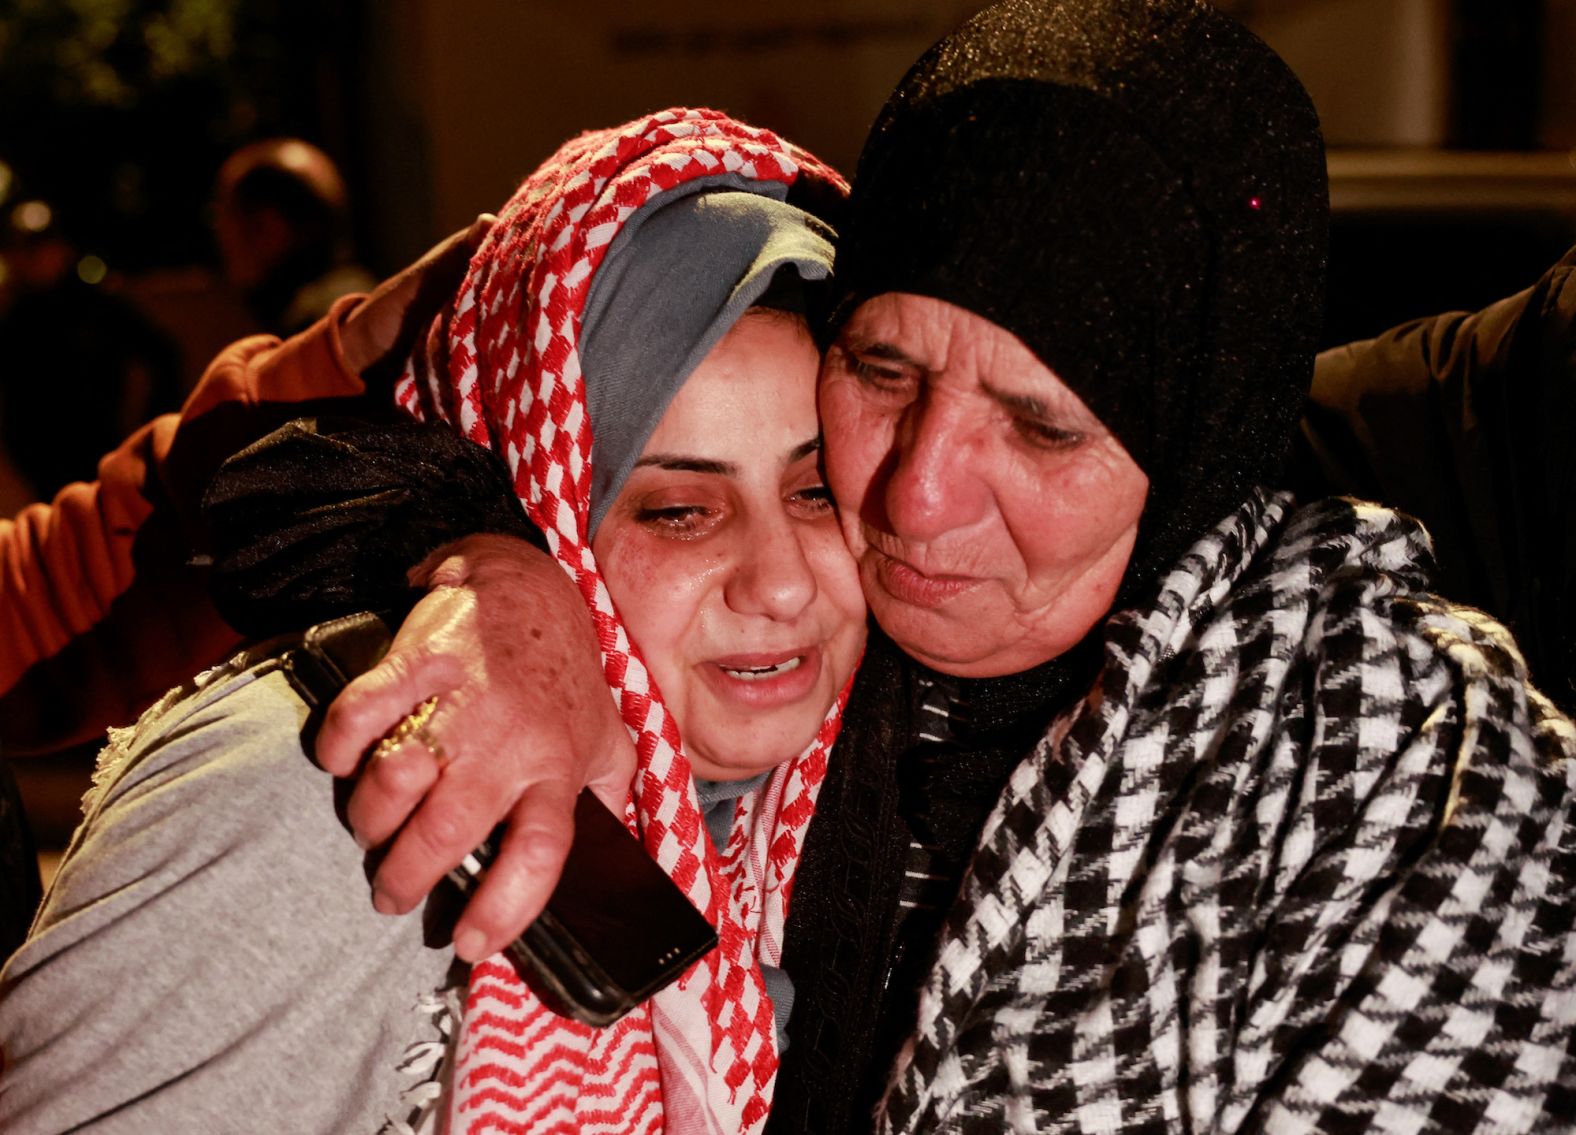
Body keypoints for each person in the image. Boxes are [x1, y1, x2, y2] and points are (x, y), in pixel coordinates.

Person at [290, 2, 1576, 1132]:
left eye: (1042, 425)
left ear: (1197, 449)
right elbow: (282, 480)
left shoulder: (1396, 766)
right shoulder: (787, 644)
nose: (914, 490)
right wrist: (492, 565)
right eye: (880, 372)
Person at [0, 109, 865, 1133]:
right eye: (678, 510)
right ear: (537, 492)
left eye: (821, 492)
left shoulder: (867, 804)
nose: (779, 584)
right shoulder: (333, 790)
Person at [212, 138, 377, 336]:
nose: (219, 235)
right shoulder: (357, 304)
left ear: (269, 227)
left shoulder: (316, 329)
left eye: (226, 216)